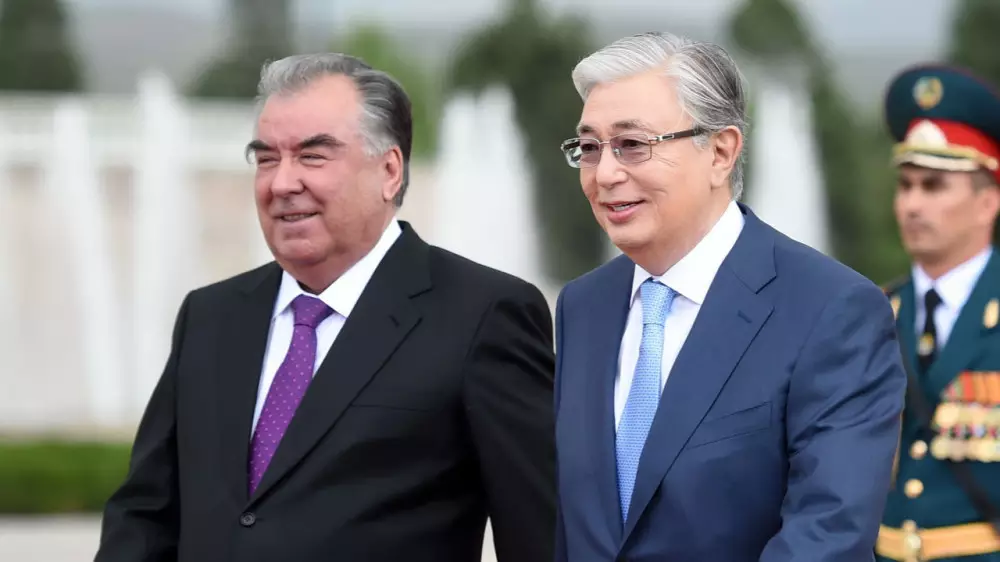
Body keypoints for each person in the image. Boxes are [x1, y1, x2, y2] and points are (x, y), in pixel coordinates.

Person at [94, 53, 556, 562]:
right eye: (266, 159)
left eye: (312, 156)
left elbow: (538, 532)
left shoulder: (483, 315)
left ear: (389, 170)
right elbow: (145, 516)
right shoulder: (210, 316)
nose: (282, 183)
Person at [552, 31, 907, 562]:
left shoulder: (831, 310)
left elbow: (828, 536)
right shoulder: (583, 306)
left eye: (633, 145)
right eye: (589, 148)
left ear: (721, 152)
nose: (604, 173)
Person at [876, 64, 1000, 562]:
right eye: (905, 185)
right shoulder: (873, 314)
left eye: (933, 186)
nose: (911, 204)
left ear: (987, 202)